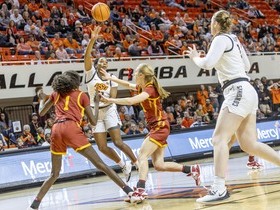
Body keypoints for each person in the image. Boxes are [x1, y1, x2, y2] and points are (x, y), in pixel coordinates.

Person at [185, 10, 280, 204]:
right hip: (247, 89)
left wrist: (194, 56)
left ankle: (219, 188)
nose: (210, 26)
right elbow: (246, 64)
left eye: (211, 22)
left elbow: (207, 63)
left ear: (216, 24)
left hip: (236, 90)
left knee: (219, 139)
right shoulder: (234, 39)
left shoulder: (220, 39)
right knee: (249, 144)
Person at [28, 71, 144, 210]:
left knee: (54, 173)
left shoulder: (55, 94)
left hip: (56, 129)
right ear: (74, 83)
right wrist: (95, 103)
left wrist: (41, 99)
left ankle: (34, 205)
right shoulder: (81, 95)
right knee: (101, 164)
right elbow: (94, 122)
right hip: (71, 128)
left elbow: (41, 112)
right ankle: (130, 192)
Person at [99, 63, 201, 199]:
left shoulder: (150, 90)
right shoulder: (144, 87)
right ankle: (192, 169)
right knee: (159, 165)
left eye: (136, 73)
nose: (134, 75)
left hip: (160, 126)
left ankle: (140, 189)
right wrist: (110, 78)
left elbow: (131, 101)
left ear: (141, 75)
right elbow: (128, 85)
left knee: (141, 156)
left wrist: (109, 100)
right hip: (158, 126)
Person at [84, 26, 138, 182]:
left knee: (117, 142)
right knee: (101, 147)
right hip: (95, 113)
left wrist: (105, 98)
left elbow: (113, 96)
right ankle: (123, 165)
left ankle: (137, 163)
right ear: (96, 64)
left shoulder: (111, 78)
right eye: (101, 61)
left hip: (109, 109)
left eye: (106, 62)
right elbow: (86, 57)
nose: (103, 63)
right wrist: (92, 40)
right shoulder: (90, 74)